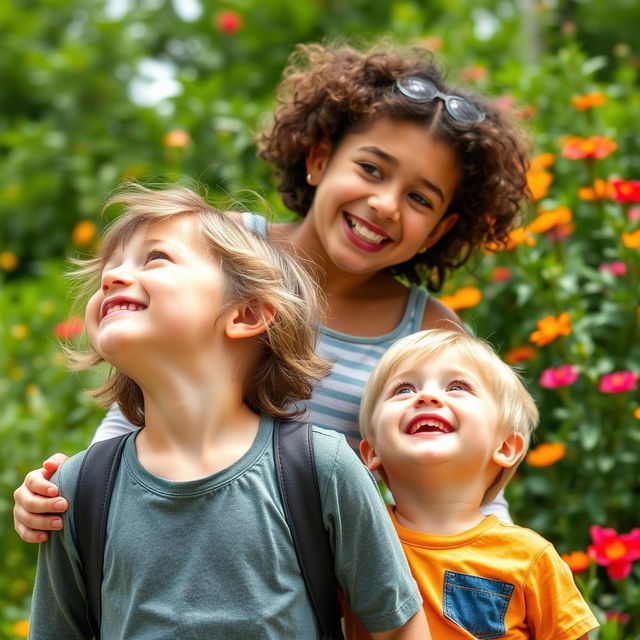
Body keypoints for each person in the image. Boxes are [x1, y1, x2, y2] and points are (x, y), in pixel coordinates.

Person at [14, 40, 531, 540]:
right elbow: (143, 393)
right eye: (371, 169)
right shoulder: (220, 251)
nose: (385, 204)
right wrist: (61, 497)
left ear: (439, 230)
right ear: (320, 158)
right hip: (167, 538)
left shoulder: (430, 332)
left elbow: (475, 480)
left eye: (420, 198)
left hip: (308, 584)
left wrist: (503, 560)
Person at [27, 184, 429, 639]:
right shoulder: (77, 490)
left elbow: (398, 630)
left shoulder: (321, 468)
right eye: (111, 265)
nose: (112, 277)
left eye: (154, 258)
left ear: (247, 314)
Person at [342, 329, 599, 639]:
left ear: (505, 447)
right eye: (403, 390)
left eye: (457, 386)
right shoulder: (354, 537)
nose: (427, 396)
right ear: (372, 452)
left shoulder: (530, 557)